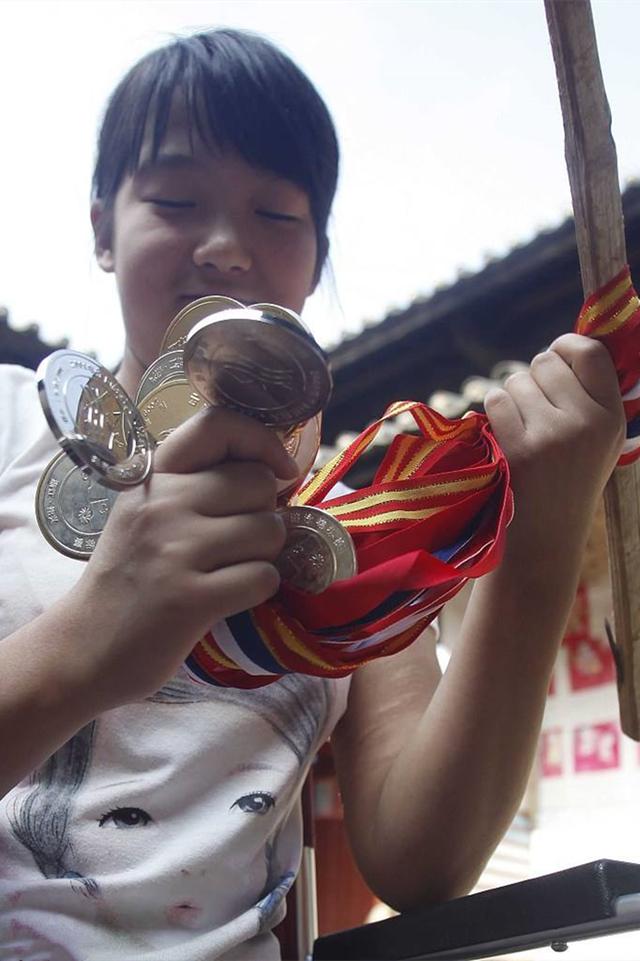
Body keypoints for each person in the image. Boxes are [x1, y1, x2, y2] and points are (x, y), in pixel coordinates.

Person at [0, 26, 626, 961]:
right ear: (101, 225)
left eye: (277, 216)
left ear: (317, 253)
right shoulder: (9, 426)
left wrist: (534, 533)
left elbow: (420, 858)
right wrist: (89, 644)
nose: (225, 246)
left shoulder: (350, 507)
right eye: (175, 199)